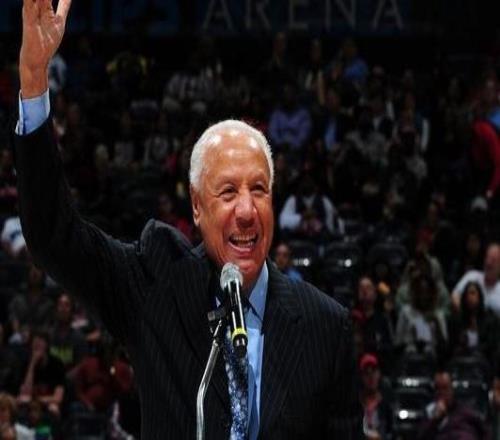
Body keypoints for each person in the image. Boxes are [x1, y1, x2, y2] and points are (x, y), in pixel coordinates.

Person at [13, 1, 363, 439]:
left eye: (258, 190)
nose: (246, 211)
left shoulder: (324, 326)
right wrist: (34, 81)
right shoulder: (155, 286)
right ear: (197, 206)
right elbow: (53, 236)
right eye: (228, 192)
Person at [417, 371, 489, 440]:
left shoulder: (465, 411)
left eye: (445, 388)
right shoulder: (430, 412)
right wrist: (436, 419)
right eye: (438, 389)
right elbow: (422, 437)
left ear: (452, 389)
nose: (442, 392)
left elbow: (484, 431)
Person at [452, 243, 500, 317]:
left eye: (493, 260)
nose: (488, 263)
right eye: (487, 258)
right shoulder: (472, 275)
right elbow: (455, 295)